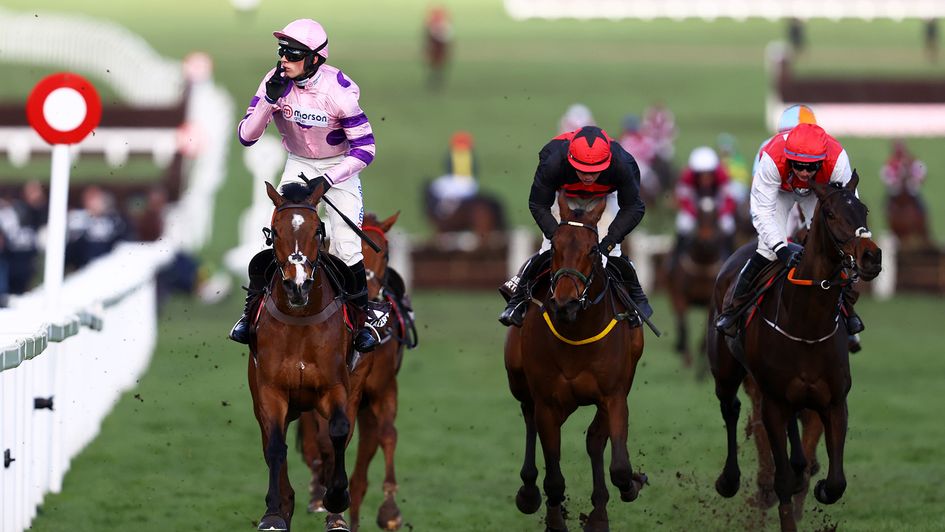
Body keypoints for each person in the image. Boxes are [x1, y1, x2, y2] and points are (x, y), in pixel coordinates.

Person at [232, 18, 385, 353]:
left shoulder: (340, 93)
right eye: (281, 52)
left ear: (315, 58)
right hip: (298, 162)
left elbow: (366, 149)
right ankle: (250, 315)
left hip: (338, 167)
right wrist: (268, 100)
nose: (283, 59)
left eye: (293, 54)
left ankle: (363, 321)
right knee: (282, 238)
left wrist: (328, 179)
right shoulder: (273, 81)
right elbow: (246, 136)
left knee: (346, 246)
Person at [716, 123, 865, 342]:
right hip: (780, 191)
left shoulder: (837, 160)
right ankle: (733, 309)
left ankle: (847, 312)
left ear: (822, 160)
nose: (804, 173)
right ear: (788, 158)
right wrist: (781, 249)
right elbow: (762, 213)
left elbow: (847, 206)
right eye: (798, 166)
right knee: (767, 250)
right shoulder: (772, 158)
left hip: (818, 191)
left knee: (831, 248)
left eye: (811, 167)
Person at [498, 125, 651, 327]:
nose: (587, 176)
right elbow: (538, 204)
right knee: (548, 249)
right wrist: (557, 235)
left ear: (607, 162)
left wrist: (608, 243)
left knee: (613, 254)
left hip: (603, 198)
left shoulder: (623, 163)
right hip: (564, 196)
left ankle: (639, 301)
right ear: (570, 159)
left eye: (594, 171)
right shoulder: (553, 160)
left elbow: (634, 207)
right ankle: (517, 302)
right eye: (582, 169)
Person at [673, 146, 736, 259]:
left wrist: (718, 215)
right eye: (701, 174)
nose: (705, 178)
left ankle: (729, 256)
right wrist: (697, 215)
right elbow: (684, 200)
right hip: (695, 204)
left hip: (716, 204)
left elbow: (729, 200)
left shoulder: (722, 175)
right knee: (683, 224)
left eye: (709, 174)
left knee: (728, 224)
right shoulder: (687, 177)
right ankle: (677, 256)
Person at [427, 131, 479, 218]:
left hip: (456, 179)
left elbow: (447, 166)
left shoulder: (453, 153)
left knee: (437, 186)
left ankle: (444, 208)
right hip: (469, 181)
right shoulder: (470, 154)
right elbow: (476, 169)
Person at [881, 139, 927, 207]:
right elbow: (886, 176)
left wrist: (915, 180)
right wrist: (894, 182)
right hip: (896, 189)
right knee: (888, 202)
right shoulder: (891, 162)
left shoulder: (910, 160)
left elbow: (920, 170)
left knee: (919, 202)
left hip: (910, 187)